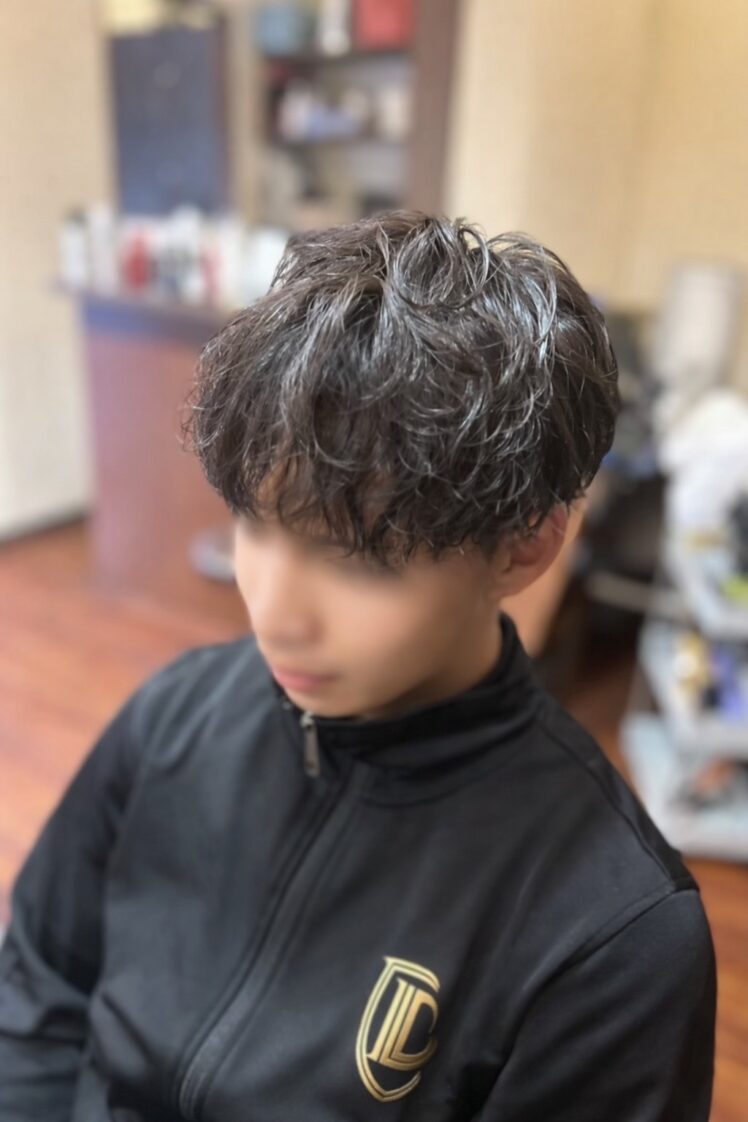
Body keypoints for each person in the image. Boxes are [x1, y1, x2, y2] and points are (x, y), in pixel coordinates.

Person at [0, 211, 715, 1120]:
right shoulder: (174, 715)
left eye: (353, 559)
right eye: (252, 523)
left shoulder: (614, 938)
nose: (273, 613)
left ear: (523, 546)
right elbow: (41, 981)